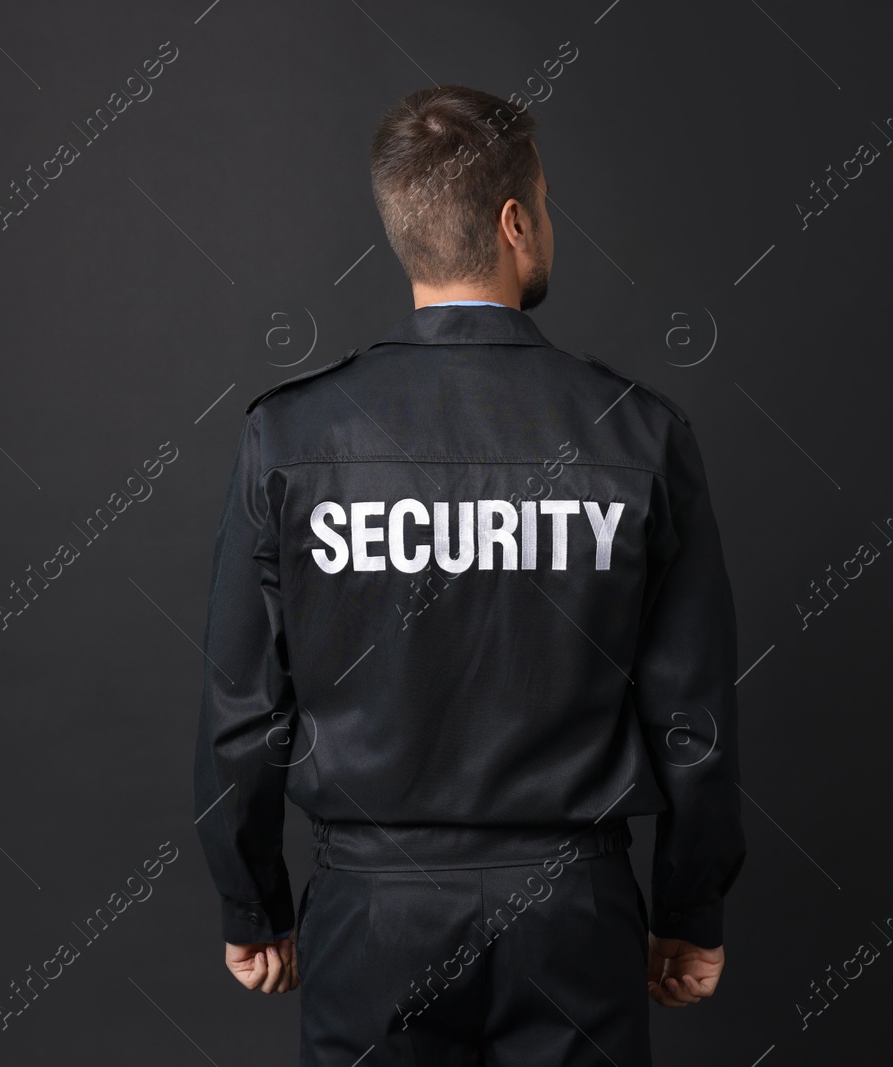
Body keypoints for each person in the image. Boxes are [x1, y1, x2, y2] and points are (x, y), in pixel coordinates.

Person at [193, 83, 745, 1066]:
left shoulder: (288, 437)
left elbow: (244, 707)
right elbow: (690, 714)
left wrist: (252, 898)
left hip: (373, 917)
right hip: (572, 915)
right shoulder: (639, 433)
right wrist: (688, 905)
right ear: (512, 221)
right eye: (546, 208)